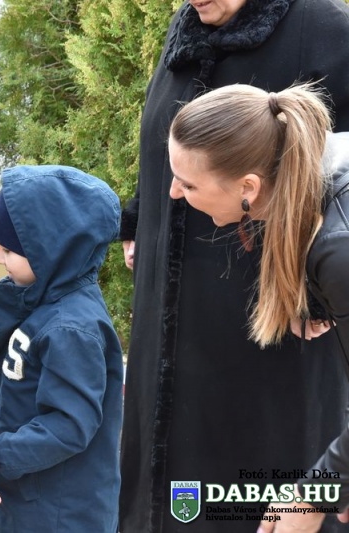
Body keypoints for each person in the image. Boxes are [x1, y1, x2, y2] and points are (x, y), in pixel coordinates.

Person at [118, 0, 349, 531]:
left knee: (248, 488)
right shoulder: (188, 26)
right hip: (175, 319)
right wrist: (140, 217)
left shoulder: (324, 29)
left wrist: (312, 295)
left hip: (268, 322)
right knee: (169, 486)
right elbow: (170, 144)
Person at [166, 82, 349, 533]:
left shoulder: (339, 248)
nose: (174, 193)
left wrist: (314, 497)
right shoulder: (314, 172)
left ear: (249, 187)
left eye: (188, 183)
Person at [0, 165, 123, 532]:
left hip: (60, 513)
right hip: (32, 498)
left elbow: (68, 424)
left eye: (8, 249)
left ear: (51, 252)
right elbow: (38, 370)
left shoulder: (72, 328)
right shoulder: (48, 300)